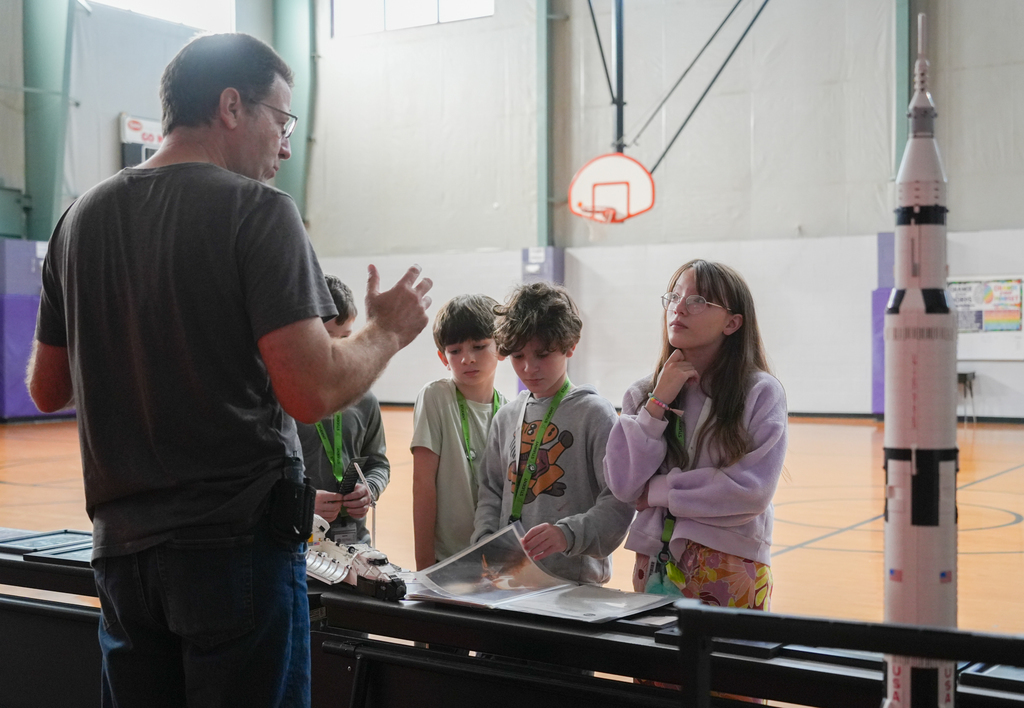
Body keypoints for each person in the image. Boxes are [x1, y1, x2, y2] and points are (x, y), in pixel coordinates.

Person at [26, 33, 431, 708]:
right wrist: (385, 331)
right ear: (232, 105)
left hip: (123, 555)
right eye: (282, 118)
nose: (285, 141)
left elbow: (46, 390)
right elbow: (311, 390)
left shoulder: (79, 219)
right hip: (234, 552)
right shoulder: (260, 212)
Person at [603, 259, 787, 610]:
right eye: (674, 297)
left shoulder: (760, 392)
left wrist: (658, 491)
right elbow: (624, 485)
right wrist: (657, 403)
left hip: (730, 564)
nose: (680, 308)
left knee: (727, 665)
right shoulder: (644, 392)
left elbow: (751, 491)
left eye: (698, 300)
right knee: (659, 665)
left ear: (732, 323)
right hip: (654, 561)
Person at [471, 282, 632, 585]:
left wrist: (568, 533)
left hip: (574, 584)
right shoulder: (506, 418)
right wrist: (485, 540)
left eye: (542, 354)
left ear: (570, 345)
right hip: (508, 582)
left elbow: (619, 501)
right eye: (518, 356)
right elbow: (490, 491)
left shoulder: (595, 415)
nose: (529, 368)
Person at [411, 294, 506, 570]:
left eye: (478, 347)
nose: (467, 359)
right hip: (446, 562)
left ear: (501, 347)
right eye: (455, 351)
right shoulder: (436, 397)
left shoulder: (511, 410)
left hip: (496, 565)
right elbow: (422, 486)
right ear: (443, 357)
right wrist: (424, 567)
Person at [298, 275, 389, 546]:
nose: (336, 349)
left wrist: (370, 489)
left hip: (353, 543)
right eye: (326, 337)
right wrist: (302, 503)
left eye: (345, 337)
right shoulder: (282, 399)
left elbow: (378, 463)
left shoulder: (364, 399)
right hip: (297, 542)